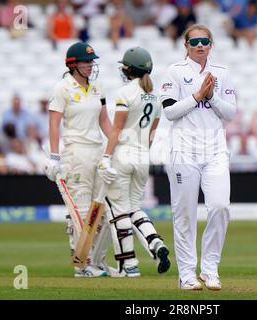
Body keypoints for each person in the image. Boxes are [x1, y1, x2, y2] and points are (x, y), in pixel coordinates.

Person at [160, 24, 237, 290]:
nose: (200, 45)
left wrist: (212, 96)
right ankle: (187, 275)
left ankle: (210, 269)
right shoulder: (175, 71)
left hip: (215, 150)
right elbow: (169, 112)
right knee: (185, 214)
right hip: (184, 151)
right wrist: (197, 96)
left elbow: (230, 113)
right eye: (195, 42)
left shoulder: (222, 73)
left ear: (211, 44)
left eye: (205, 41)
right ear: (186, 45)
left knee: (220, 206)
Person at [44, 42, 117, 277]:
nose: (90, 65)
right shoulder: (62, 88)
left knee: (103, 211)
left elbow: (105, 121)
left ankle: (97, 261)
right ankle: (81, 265)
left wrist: (117, 145)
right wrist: (55, 157)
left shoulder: (98, 88)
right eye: (86, 62)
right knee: (83, 212)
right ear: (72, 64)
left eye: (91, 61)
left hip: (98, 152)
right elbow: (54, 123)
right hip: (75, 153)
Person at [98, 47, 170, 277]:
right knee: (134, 209)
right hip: (142, 157)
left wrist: (106, 157)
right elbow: (151, 134)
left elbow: (117, 128)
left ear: (130, 69)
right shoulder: (156, 96)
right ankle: (155, 242)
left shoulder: (125, 93)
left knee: (119, 213)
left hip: (123, 155)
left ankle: (128, 266)